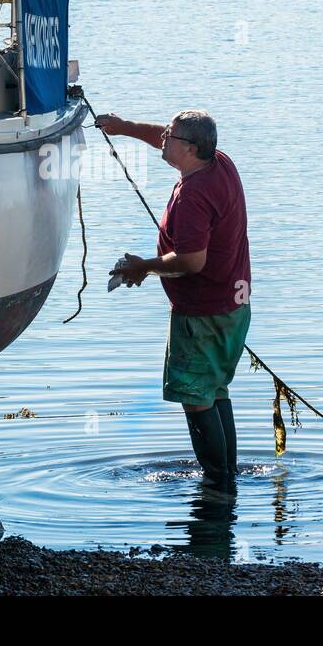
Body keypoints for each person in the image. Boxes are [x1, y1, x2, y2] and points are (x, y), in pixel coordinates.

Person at [96, 108, 251, 493]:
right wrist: (124, 128)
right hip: (234, 306)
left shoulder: (193, 197)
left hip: (202, 313)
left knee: (197, 398)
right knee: (214, 390)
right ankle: (227, 476)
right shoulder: (220, 163)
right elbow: (163, 137)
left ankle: (218, 484)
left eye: (172, 137)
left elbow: (192, 261)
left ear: (192, 149)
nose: (164, 139)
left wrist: (143, 267)